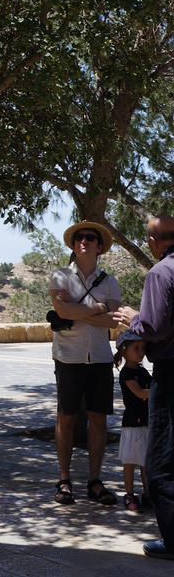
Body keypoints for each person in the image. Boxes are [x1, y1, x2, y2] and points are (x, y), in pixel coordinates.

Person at [112, 214, 174, 558]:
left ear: (152, 242)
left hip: (169, 370)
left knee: (162, 458)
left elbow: (154, 327)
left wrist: (132, 317)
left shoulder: (160, 273)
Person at [49, 220, 121, 505]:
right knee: (66, 418)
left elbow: (113, 322)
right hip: (68, 357)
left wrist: (74, 311)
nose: (84, 241)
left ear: (99, 246)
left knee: (98, 419)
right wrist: (97, 308)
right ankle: (65, 479)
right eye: (80, 237)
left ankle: (95, 481)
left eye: (90, 238)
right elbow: (61, 310)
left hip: (100, 359)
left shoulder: (110, 282)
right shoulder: (60, 277)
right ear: (74, 245)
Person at [113, 330, 150, 512]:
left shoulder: (143, 372)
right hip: (133, 424)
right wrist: (159, 389)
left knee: (146, 462)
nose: (141, 352)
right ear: (124, 351)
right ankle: (129, 494)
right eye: (136, 348)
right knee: (130, 461)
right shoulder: (127, 374)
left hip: (146, 422)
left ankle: (148, 494)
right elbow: (140, 393)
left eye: (143, 348)